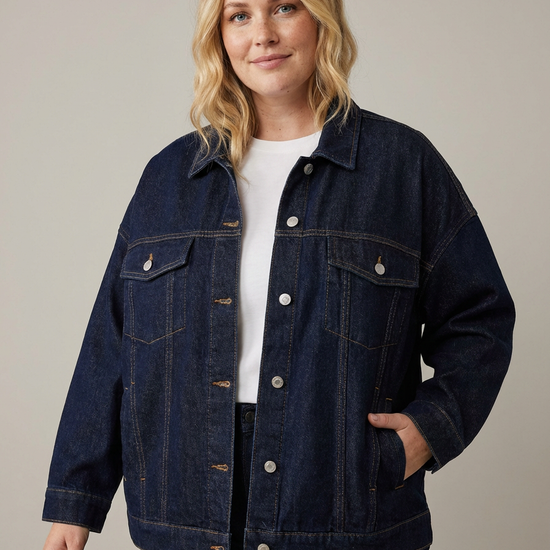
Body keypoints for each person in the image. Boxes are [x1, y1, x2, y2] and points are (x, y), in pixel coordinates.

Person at [42, 1, 515, 549]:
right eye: (239, 15)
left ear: (322, 21)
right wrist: (74, 505)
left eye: (284, 7)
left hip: (341, 508)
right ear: (219, 37)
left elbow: (480, 318)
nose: (262, 34)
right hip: (184, 509)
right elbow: (111, 345)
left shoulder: (403, 166)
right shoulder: (170, 177)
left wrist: (431, 429)